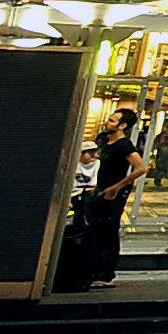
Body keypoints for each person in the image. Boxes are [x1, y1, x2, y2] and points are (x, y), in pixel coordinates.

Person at [53, 107, 140, 293]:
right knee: (95, 229)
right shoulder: (103, 139)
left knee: (109, 229)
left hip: (113, 192)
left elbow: (140, 168)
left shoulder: (124, 146)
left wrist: (117, 187)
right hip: (99, 190)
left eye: (112, 121)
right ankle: (93, 270)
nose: (108, 123)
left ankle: (106, 274)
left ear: (123, 125)